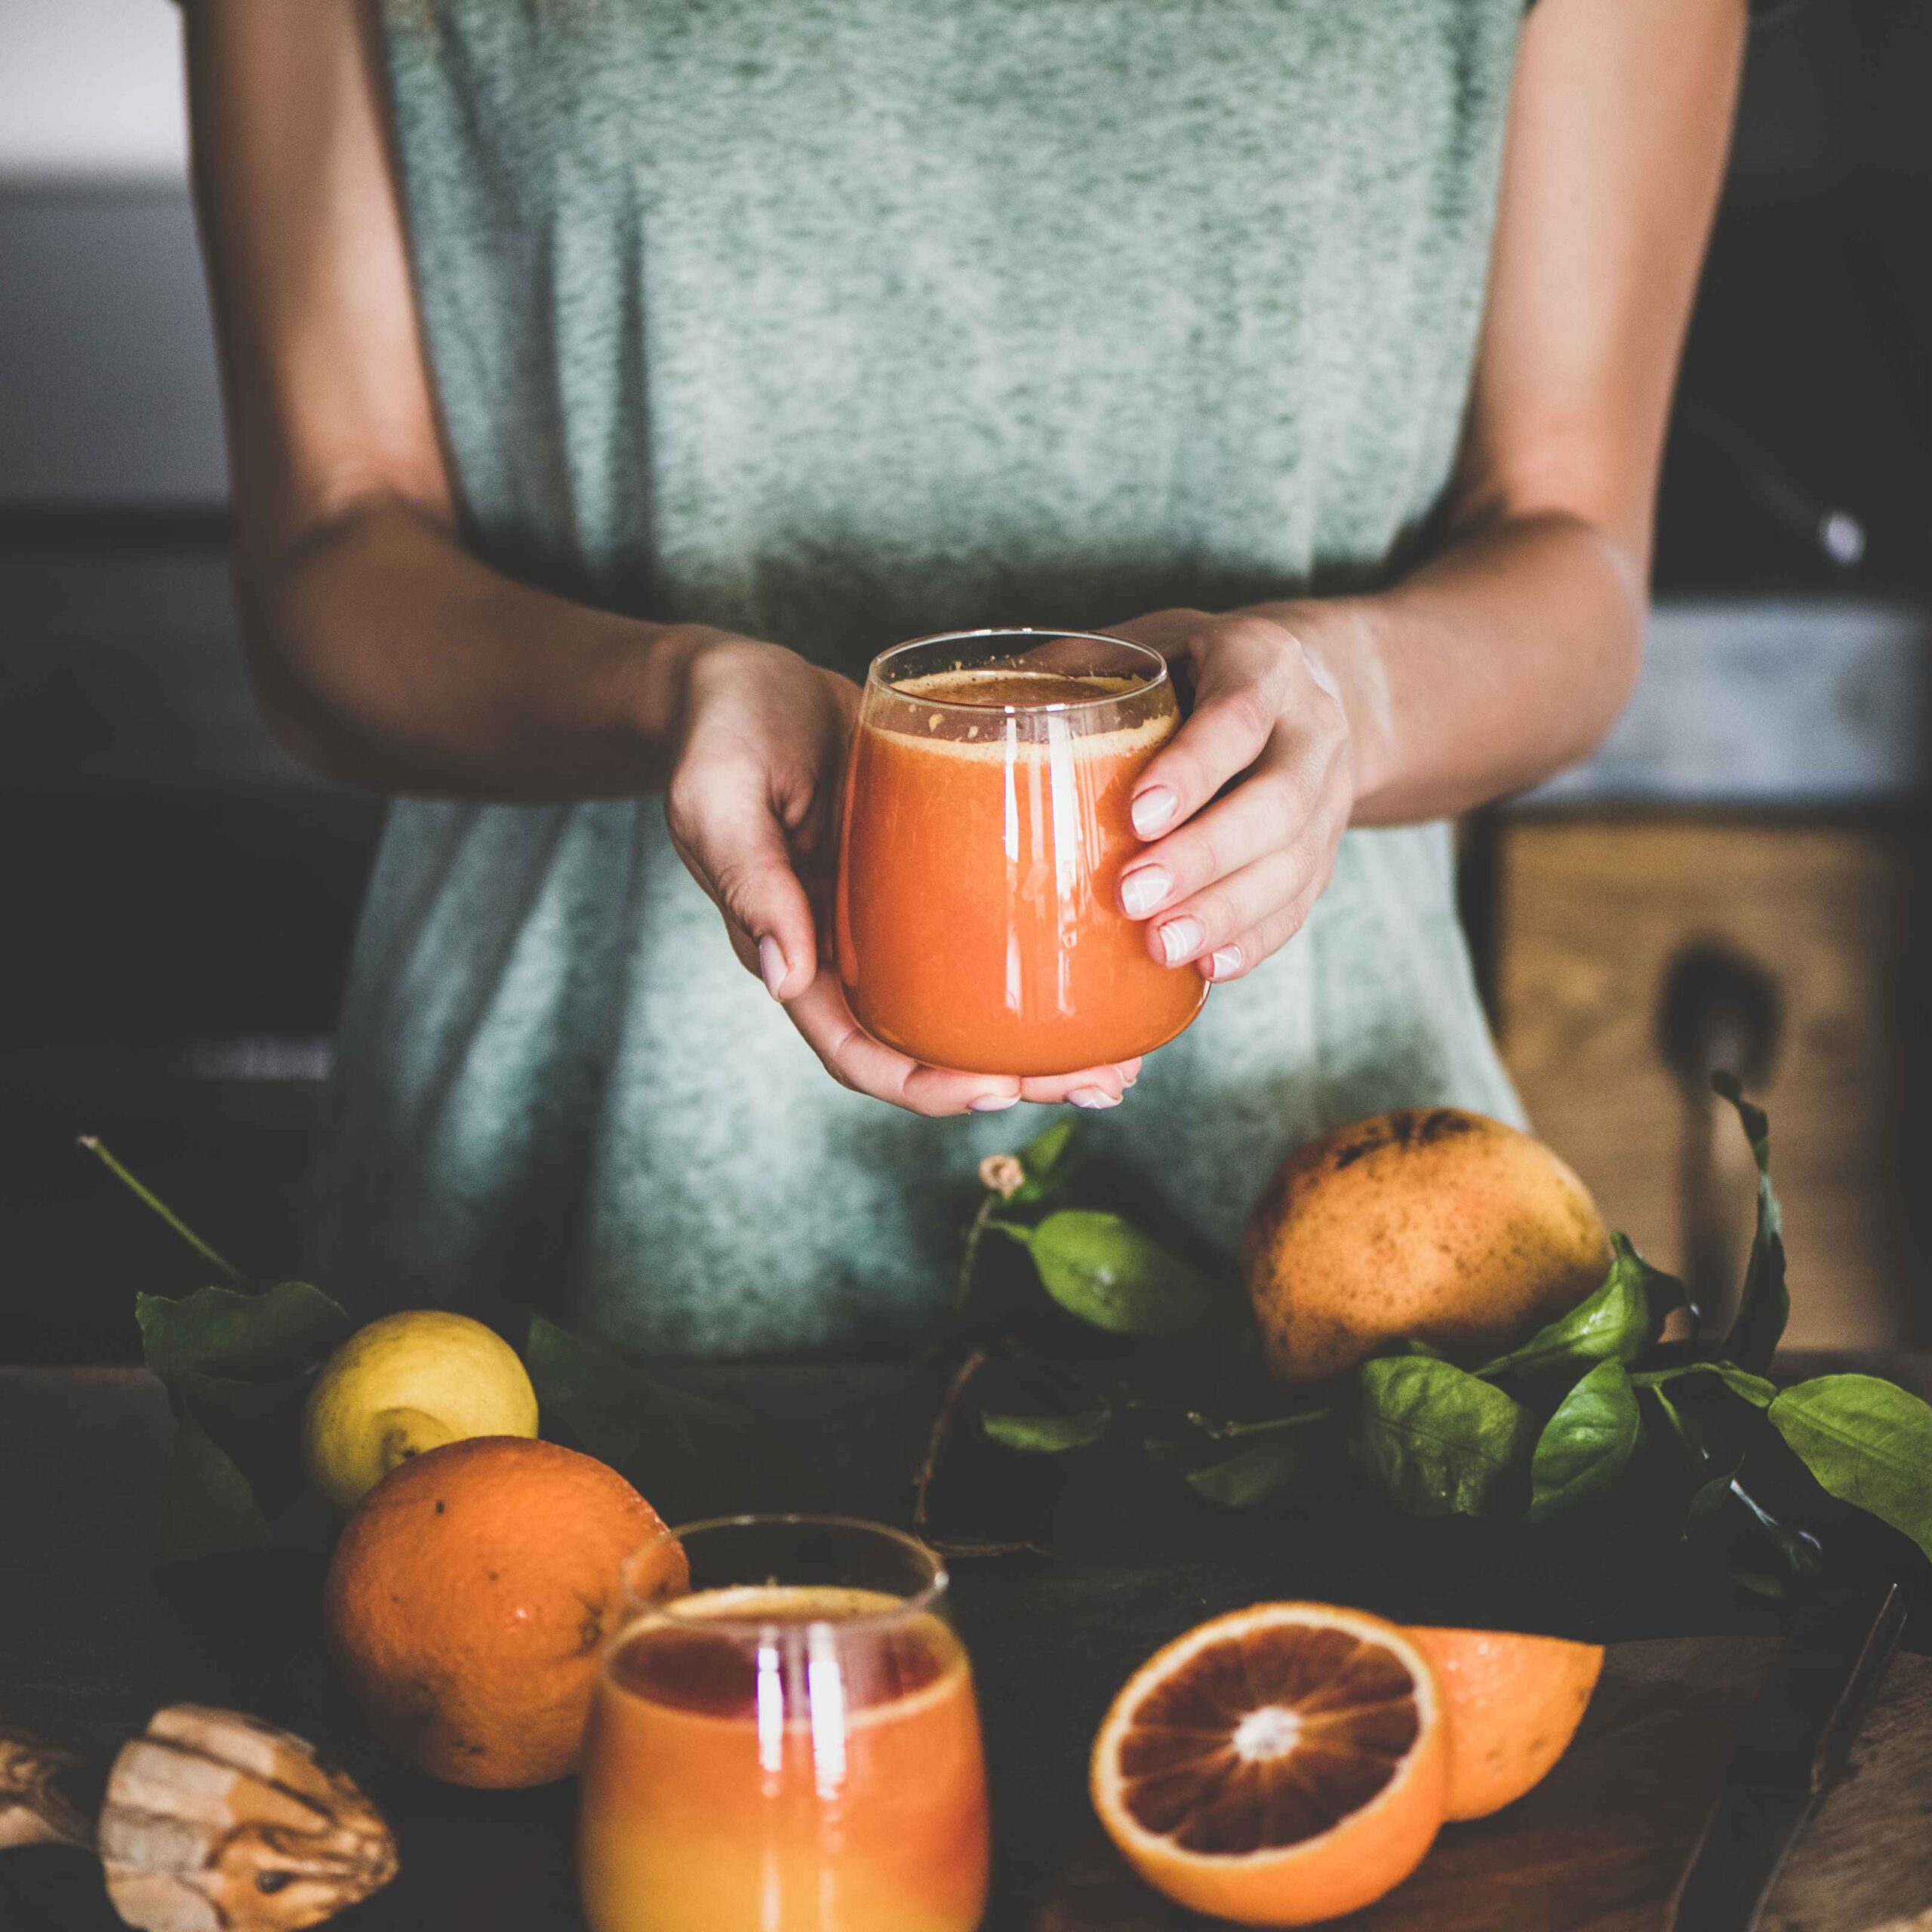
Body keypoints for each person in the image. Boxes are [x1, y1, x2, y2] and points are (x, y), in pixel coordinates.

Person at [182, 0, 1748, 1353]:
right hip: (567, 1169)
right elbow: (328, 554)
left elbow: (1569, 549)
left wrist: (1350, 697)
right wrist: (659, 691)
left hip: (1328, 1209)